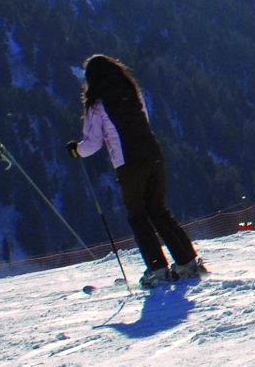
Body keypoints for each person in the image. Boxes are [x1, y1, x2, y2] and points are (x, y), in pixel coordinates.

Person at [74, 53, 203, 289]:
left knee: (138, 216)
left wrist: (76, 151)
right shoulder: (132, 92)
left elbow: (92, 143)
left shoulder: (97, 104)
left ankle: (157, 268)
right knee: (159, 211)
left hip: (129, 163)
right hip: (153, 155)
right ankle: (187, 261)